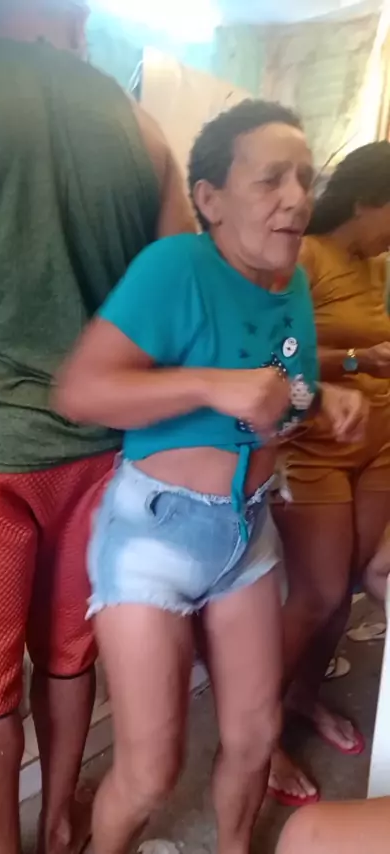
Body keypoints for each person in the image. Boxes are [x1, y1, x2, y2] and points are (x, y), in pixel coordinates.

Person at [0, 2, 195, 853]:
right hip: (98, 459)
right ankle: (63, 822)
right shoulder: (143, 130)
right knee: (70, 656)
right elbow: (176, 304)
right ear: (77, 26)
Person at [57, 100, 368, 854]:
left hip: (247, 533)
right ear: (211, 198)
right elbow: (80, 391)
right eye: (270, 179)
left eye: (305, 178)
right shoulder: (176, 268)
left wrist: (320, 399)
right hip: (154, 536)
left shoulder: (289, 278)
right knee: (150, 772)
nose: (296, 198)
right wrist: (209, 385)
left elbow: (282, 388)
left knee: (256, 736)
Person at [269, 142, 390, 806]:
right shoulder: (303, 257)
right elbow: (276, 358)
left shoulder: (373, 265)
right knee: (314, 596)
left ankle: (303, 697)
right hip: (316, 449)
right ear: (367, 201)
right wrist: (356, 362)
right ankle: (254, 736)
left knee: (342, 590)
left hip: (378, 444)